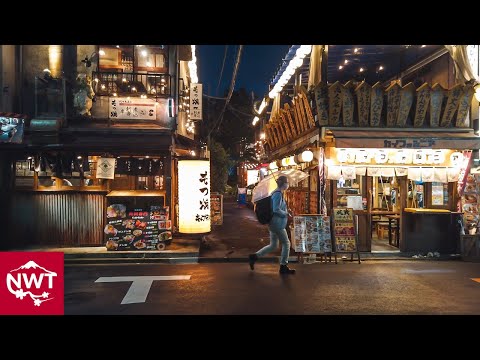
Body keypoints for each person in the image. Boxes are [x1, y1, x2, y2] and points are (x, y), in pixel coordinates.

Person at [249, 175, 295, 274]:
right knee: (286, 244)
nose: (288, 184)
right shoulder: (277, 194)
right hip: (277, 224)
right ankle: (283, 266)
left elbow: (279, 207)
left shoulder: (278, 193)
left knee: (273, 245)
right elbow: (276, 209)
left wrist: (286, 210)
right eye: (287, 183)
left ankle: (254, 256)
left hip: (274, 223)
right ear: (283, 184)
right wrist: (286, 213)